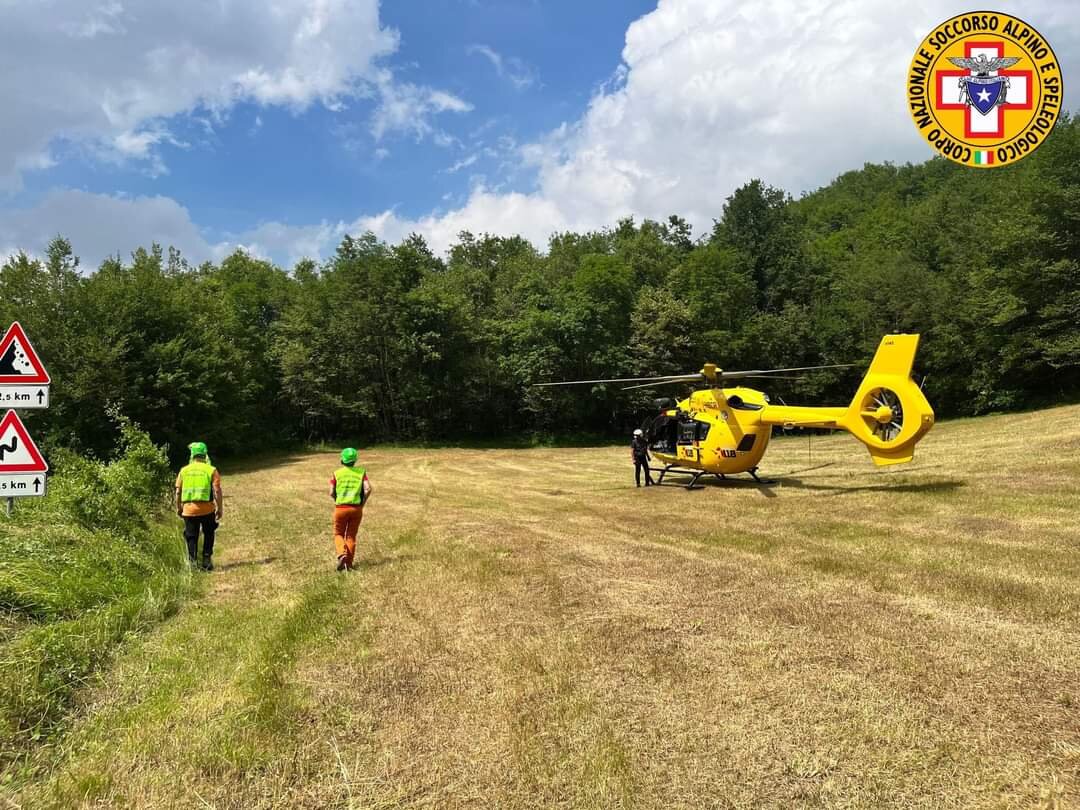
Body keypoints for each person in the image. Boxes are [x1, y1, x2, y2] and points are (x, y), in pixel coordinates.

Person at [175, 441, 223, 571]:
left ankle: (192, 562)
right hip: (207, 509)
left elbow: (178, 491)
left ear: (192, 454)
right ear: (205, 454)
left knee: (191, 535)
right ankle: (206, 560)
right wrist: (220, 508)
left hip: (189, 510)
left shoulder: (183, 470)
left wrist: (179, 507)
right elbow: (217, 491)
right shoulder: (211, 470)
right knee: (209, 532)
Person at [329, 447, 372, 571]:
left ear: (342, 460)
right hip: (356, 509)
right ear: (355, 460)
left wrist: (337, 499)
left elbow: (331, 492)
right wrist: (362, 503)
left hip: (341, 508)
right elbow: (368, 489)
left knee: (338, 534)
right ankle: (348, 564)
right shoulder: (361, 472)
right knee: (351, 536)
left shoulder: (336, 473)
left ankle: (342, 554)